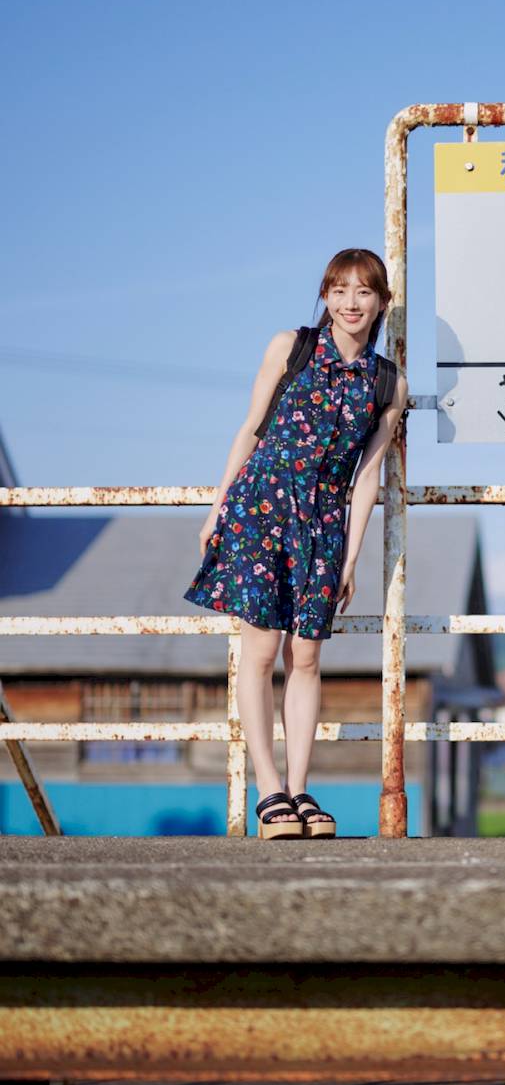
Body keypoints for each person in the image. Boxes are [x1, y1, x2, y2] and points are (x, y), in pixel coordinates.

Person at [184, 248, 407, 839]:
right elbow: (252, 428)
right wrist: (216, 508)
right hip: (262, 508)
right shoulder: (291, 346)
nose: (350, 303)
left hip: (325, 523)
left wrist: (351, 554)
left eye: (364, 292)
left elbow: (366, 478)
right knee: (258, 654)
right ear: (325, 296)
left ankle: (302, 788)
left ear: (382, 302)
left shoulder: (388, 383)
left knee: (306, 656)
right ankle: (269, 790)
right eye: (339, 290)